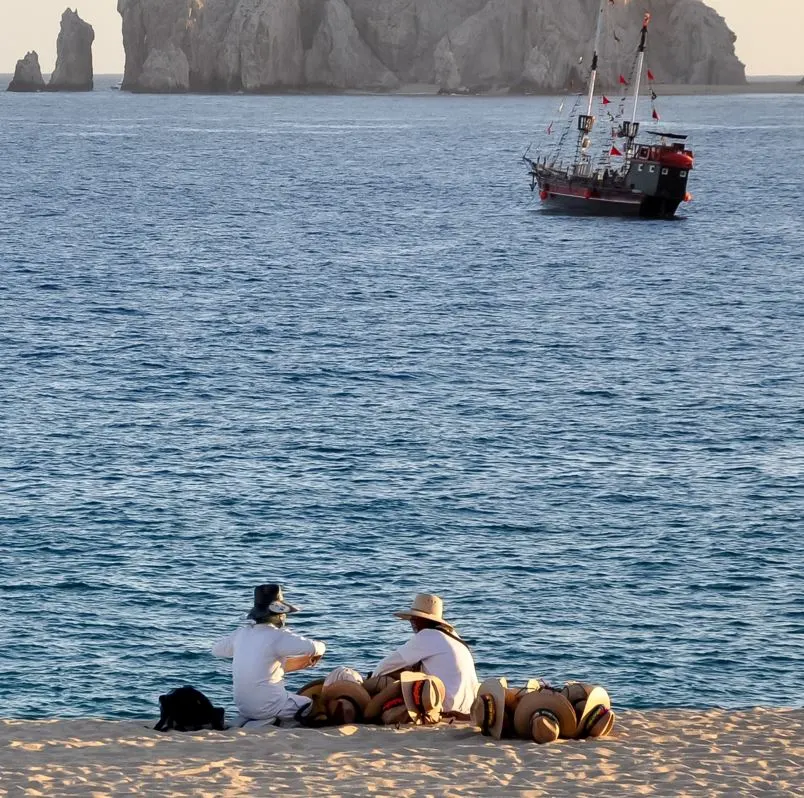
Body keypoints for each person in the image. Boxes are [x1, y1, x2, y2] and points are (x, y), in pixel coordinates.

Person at [212, 583, 326, 727]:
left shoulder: (241, 633)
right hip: (269, 706)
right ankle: (278, 721)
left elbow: (216, 650)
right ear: (279, 614)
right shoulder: (278, 635)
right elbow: (314, 647)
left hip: (244, 707)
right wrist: (322, 647)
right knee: (309, 703)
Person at [369, 593, 479, 717]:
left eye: (416, 618)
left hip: (444, 707)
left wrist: (371, 681)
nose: (412, 621)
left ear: (425, 620)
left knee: (387, 682)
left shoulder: (428, 635)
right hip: (467, 709)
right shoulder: (455, 638)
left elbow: (383, 667)